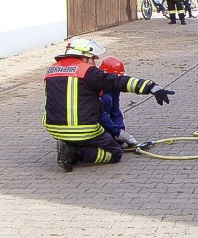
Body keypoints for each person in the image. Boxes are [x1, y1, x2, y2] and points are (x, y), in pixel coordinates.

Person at [43, 38, 175, 172]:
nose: (94, 63)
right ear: (84, 57)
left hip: (54, 128)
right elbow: (116, 81)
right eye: (93, 58)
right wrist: (150, 87)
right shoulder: (87, 71)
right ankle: (75, 152)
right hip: (83, 129)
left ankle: (69, 144)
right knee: (115, 152)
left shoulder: (51, 70)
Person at [98, 56, 138, 148]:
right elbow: (101, 116)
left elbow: (116, 111)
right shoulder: (99, 92)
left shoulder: (114, 90)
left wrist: (121, 130)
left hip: (107, 123)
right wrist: (117, 132)